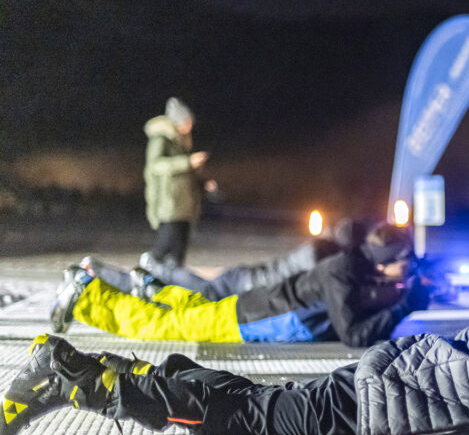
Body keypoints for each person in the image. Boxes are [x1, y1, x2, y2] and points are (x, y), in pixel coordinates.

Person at [4, 233, 469, 435]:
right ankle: (76, 379)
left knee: (245, 401)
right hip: (371, 404)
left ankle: (93, 370)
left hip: (376, 384)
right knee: (234, 414)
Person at [48, 222, 428, 346]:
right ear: (384, 261)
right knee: (165, 327)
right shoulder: (342, 272)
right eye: (404, 264)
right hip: (253, 317)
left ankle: (152, 289)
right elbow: (353, 335)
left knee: (190, 310)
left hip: (256, 307)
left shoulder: (353, 267)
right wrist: (404, 305)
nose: (407, 271)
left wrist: (398, 296)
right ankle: (86, 297)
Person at [80, 219, 371, 301]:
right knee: (193, 293)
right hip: (245, 287)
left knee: (200, 286)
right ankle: (109, 274)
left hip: (244, 276)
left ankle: (159, 269)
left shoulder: (316, 246)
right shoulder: (323, 259)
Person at [145, 97, 209, 267]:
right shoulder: (161, 139)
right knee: (162, 250)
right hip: (169, 206)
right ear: (177, 121)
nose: (190, 125)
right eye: (187, 121)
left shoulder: (183, 141)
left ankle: (174, 287)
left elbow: (185, 175)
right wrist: (188, 162)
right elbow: (155, 165)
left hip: (185, 206)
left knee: (178, 254)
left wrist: (203, 183)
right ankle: (144, 278)